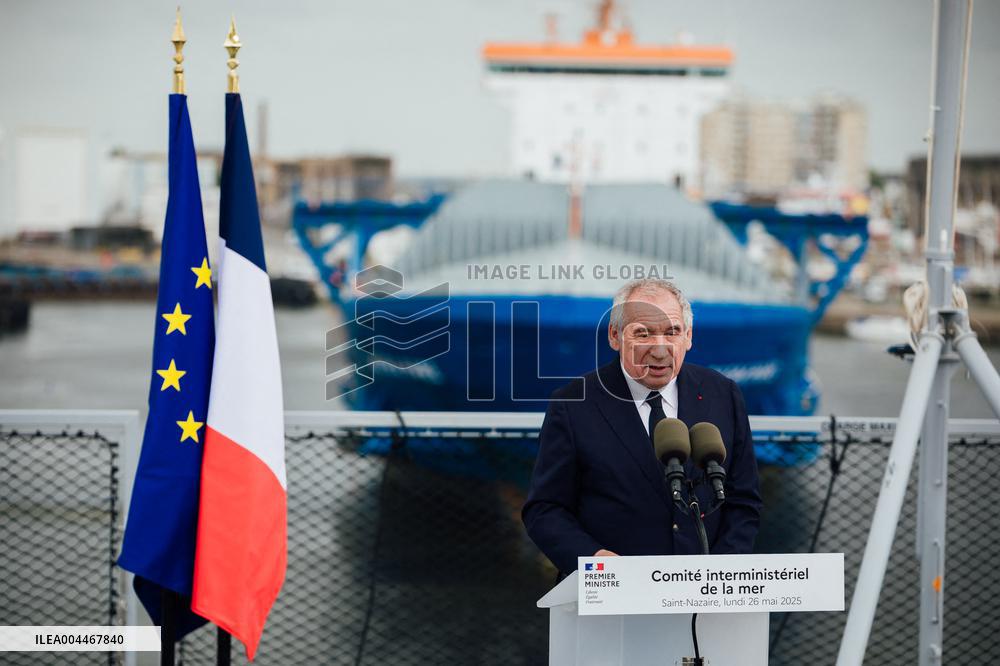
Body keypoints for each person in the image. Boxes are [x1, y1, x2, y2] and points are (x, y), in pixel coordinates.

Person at [522, 278, 762, 576]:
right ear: (614, 335)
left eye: (672, 332)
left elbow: (744, 500)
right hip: (610, 599)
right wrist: (595, 561)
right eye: (643, 333)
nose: (660, 350)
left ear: (688, 336)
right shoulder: (572, 404)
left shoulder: (723, 394)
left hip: (702, 602)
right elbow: (545, 509)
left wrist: (720, 574)